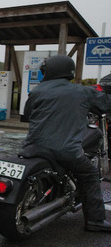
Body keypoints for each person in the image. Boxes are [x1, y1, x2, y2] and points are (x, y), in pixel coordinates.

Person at [21, 54, 111, 232]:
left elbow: (27, 114)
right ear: (68, 71)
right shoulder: (81, 92)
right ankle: (95, 221)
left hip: (33, 146)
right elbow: (105, 105)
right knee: (90, 175)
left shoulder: (38, 91)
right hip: (65, 150)